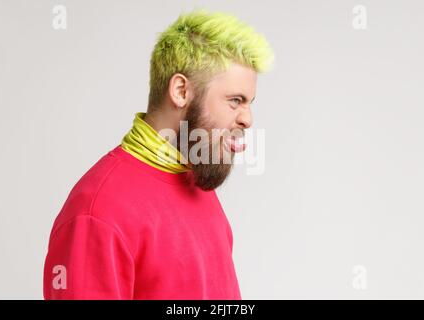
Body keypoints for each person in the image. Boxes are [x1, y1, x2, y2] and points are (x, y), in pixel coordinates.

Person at [43, 8, 274, 299]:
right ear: (180, 90)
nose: (247, 119)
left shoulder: (195, 182)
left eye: (249, 102)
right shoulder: (97, 212)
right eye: (235, 101)